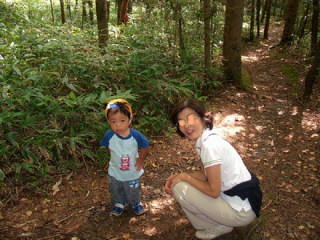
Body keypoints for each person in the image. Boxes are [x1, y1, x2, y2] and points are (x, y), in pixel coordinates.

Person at [165, 98, 262, 240]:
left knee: (179, 188)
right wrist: (180, 175)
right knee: (180, 182)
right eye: (181, 122)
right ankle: (220, 222)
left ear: (203, 118)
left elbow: (213, 191)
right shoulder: (207, 138)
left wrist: (184, 177)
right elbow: (205, 175)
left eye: (191, 118)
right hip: (243, 202)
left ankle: (217, 226)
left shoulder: (209, 146)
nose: (186, 125)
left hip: (240, 211)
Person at [100, 99, 150, 216]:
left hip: (132, 170)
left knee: (133, 188)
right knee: (116, 187)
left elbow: (145, 145)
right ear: (108, 121)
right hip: (115, 170)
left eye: (122, 120)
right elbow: (109, 146)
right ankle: (119, 203)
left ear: (130, 119)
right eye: (113, 121)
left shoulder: (135, 135)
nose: (118, 125)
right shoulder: (109, 135)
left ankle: (135, 203)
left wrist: (141, 159)